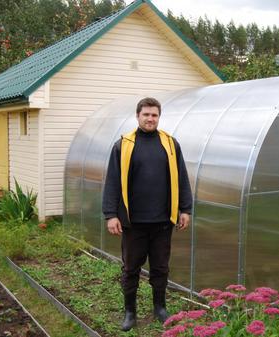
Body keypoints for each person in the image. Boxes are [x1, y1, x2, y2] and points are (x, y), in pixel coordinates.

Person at [102, 97, 192, 331]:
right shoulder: (123, 146)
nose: (150, 119)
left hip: (163, 221)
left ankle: (160, 308)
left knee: (160, 268)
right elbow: (112, 181)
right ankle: (130, 312)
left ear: (158, 117)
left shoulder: (170, 144)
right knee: (131, 269)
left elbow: (181, 177)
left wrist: (185, 209)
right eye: (146, 115)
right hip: (133, 223)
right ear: (138, 116)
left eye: (154, 115)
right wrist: (111, 214)